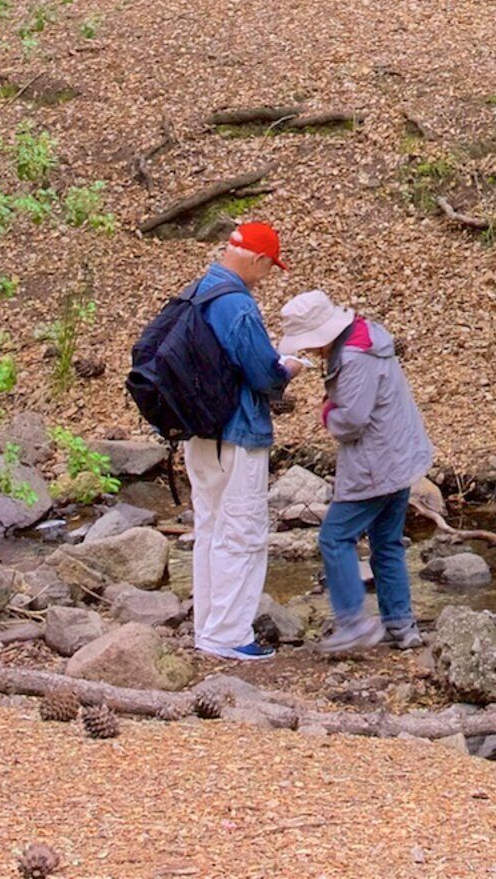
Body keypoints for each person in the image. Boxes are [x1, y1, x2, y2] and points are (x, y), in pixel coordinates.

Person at [273, 287, 432, 654]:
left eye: (310, 343)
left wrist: (328, 412)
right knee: (387, 542)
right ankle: (401, 624)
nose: (311, 351)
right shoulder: (369, 337)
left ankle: (354, 624)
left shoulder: (355, 357)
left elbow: (353, 421)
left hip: (376, 464)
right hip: (401, 455)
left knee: (334, 538)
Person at [180, 218, 293, 660]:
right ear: (259, 259)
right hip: (238, 432)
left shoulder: (198, 291)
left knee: (209, 528)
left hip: (199, 431)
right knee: (242, 532)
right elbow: (264, 374)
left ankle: (208, 629)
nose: (266, 277)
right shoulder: (238, 305)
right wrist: (288, 369)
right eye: (269, 267)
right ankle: (228, 636)